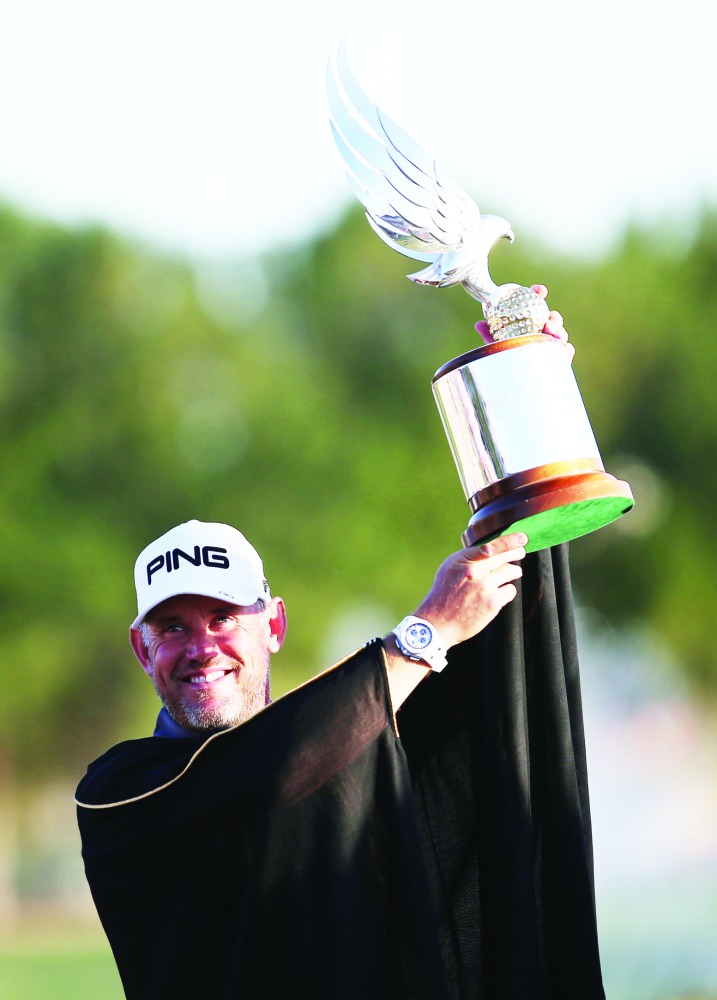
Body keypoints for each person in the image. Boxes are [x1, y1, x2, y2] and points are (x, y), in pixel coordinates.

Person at [76, 296, 606, 999]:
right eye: (172, 628)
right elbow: (262, 775)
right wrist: (427, 630)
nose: (202, 647)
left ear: (274, 626)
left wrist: (531, 406)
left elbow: (490, 680)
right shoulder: (120, 796)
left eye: (224, 617)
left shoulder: (347, 744)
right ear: (142, 651)